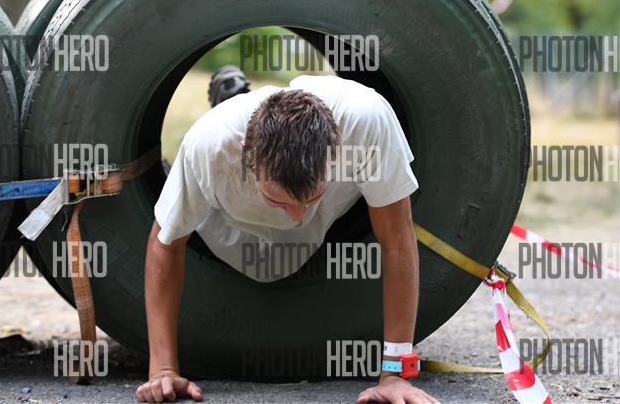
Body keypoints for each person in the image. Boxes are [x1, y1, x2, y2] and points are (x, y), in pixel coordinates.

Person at [136, 66, 439, 404]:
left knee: (286, 254)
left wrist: (396, 374)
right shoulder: (208, 149)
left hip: (323, 222)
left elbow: (397, 242)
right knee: (241, 251)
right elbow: (165, 242)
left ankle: (298, 188)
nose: (297, 214)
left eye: (309, 198)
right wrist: (162, 370)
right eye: (278, 200)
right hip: (230, 219)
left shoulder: (367, 123)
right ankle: (217, 122)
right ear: (247, 151)